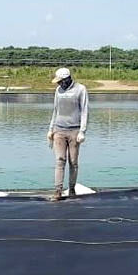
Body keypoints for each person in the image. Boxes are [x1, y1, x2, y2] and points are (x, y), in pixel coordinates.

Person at [46, 67, 89, 201]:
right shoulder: (58, 91)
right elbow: (55, 110)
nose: (59, 84)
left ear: (66, 79)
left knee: (73, 161)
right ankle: (58, 191)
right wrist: (50, 129)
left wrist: (82, 131)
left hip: (74, 131)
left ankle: (71, 189)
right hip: (59, 130)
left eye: (60, 81)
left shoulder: (81, 89)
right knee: (60, 160)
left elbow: (85, 111)